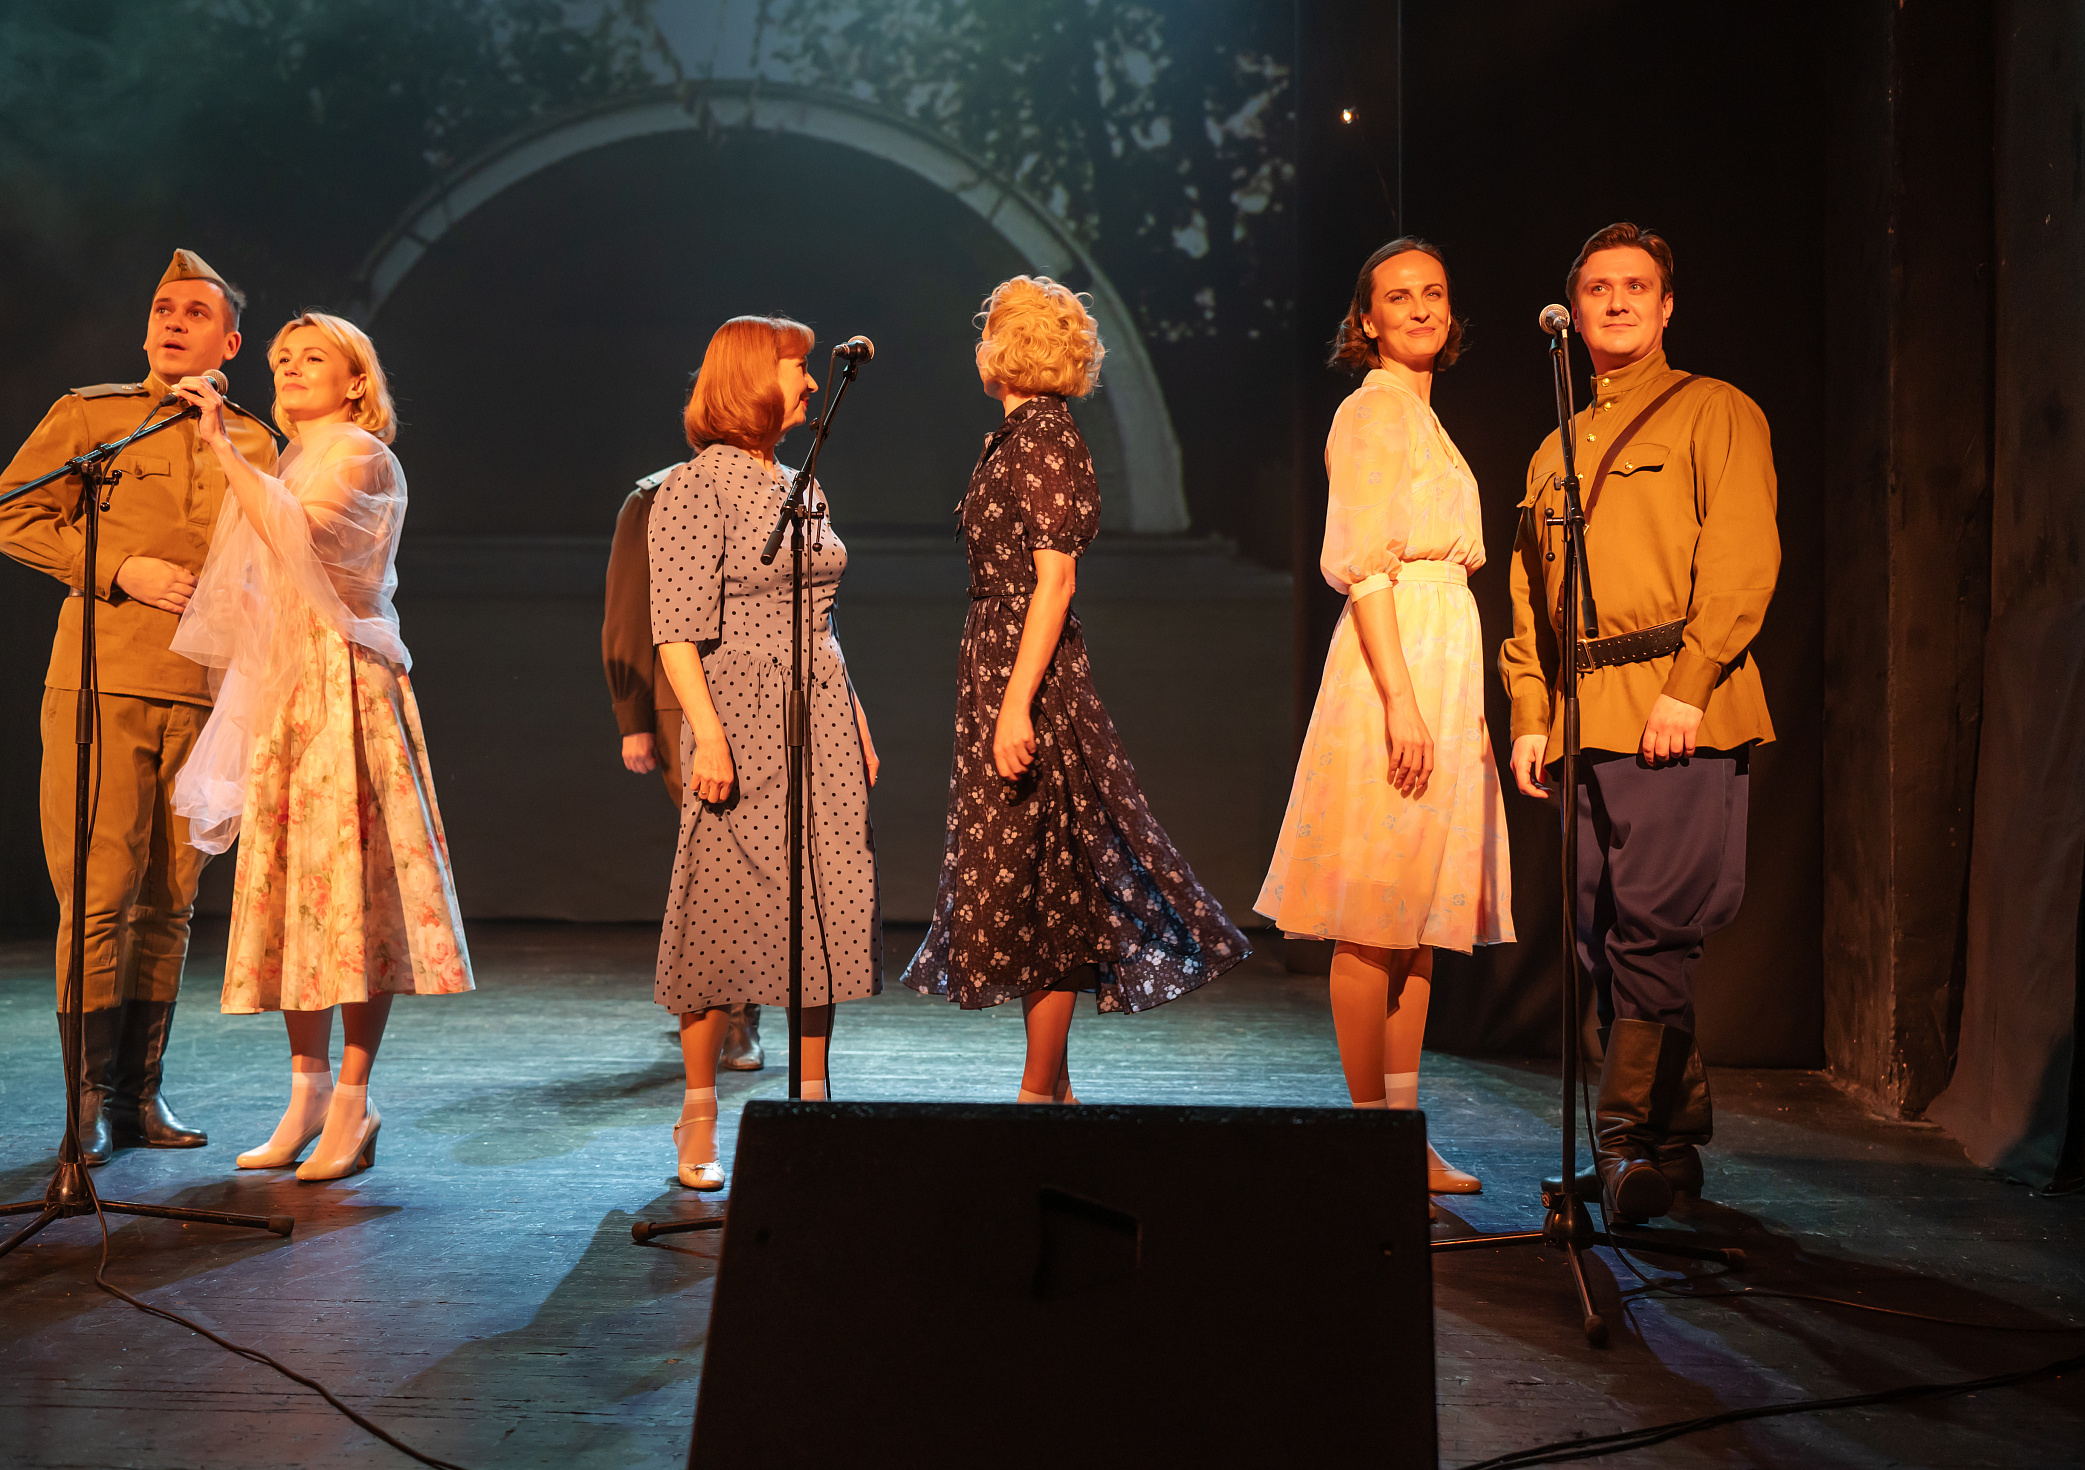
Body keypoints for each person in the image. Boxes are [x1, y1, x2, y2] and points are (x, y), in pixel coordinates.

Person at [902, 275, 1247, 1098]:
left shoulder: (1044, 440)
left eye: (987, 331)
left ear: (1003, 347)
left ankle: (1037, 1094)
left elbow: (1054, 582)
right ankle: (1053, 1094)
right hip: (998, 664)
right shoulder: (1020, 437)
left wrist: (1016, 705)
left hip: (1027, 674)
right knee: (1032, 875)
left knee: (1046, 881)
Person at [1501, 222, 1779, 1224]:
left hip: (1675, 709)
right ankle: (1669, 1143)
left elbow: (1743, 560)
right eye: (1597, 288)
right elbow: (1528, 598)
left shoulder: (1716, 411)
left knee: (1651, 932)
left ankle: (1620, 1146)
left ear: (1666, 307)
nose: (1615, 301)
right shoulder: (1553, 447)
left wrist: (1690, 685)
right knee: (1599, 938)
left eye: (1635, 286)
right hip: (1585, 717)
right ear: (1572, 313)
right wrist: (1531, 711)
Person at [168, 311, 473, 1182]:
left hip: (345, 686)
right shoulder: (288, 460)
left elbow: (302, 542)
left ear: (355, 382)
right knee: (293, 897)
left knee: (351, 895)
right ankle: (304, 1092)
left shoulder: (361, 455)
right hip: (290, 691)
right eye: (282, 359)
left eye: (314, 358)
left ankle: (353, 1098)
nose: (292, 368)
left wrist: (222, 447)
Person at [0, 249, 280, 1164]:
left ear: (229, 344)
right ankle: (82, 1106)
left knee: (170, 903)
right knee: (97, 897)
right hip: (103, 684)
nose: (173, 322)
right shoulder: (95, 417)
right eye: (163, 308)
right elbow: (13, 512)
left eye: (195, 313)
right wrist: (119, 569)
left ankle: (136, 1098)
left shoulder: (255, 441)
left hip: (207, 699)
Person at [1257, 239, 1515, 1193]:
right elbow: (1363, 567)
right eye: (1397, 296)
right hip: (1391, 665)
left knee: (1415, 916)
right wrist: (1403, 703)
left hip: (1439, 661)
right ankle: (1369, 1139)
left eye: (1432, 293)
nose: (1419, 308)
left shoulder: (1419, 415)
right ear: (1365, 319)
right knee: (1371, 916)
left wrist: (1452, 708)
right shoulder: (1370, 412)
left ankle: (1403, 1137)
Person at [649, 316, 882, 1190]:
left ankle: (811, 1105)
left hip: (819, 706)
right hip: (736, 711)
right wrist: (707, 737)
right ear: (752, 376)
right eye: (797, 366)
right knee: (720, 904)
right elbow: (674, 631)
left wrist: (854, 713)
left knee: (826, 897)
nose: (812, 382)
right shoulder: (691, 487)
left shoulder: (800, 482)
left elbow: (822, 618)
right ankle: (699, 1113)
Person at [604, 466, 763, 1070]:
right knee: (721, 860)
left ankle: (740, 1012)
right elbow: (629, 610)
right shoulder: (655, 497)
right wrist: (633, 714)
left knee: (761, 861)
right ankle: (732, 1020)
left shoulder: (775, 488)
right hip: (685, 700)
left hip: (765, 696)